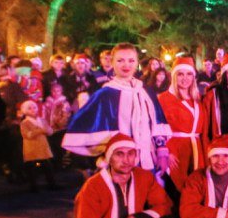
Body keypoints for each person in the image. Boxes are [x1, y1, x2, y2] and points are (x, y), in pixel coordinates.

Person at [63, 43, 172, 173]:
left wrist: (162, 152)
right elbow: (83, 124)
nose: (126, 65)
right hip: (117, 164)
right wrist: (102, 150)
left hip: (147, 160)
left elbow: (157, 122)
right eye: (120, 60)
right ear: (113, 63)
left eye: (131, 60)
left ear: (136, 62)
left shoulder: (145, 91)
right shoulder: (105, 94)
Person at [157, 57, 204, 192]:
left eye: (189, 74)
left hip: (195, 148)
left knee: (194, 188)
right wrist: (167, 152)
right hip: (175, 150)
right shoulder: (163, 98)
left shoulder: (197, 98)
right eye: (180, 74)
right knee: (177, 188)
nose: (185, 78)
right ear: (174, 76)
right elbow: (157, 128)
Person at [18, 100, 57, 191]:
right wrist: (40, 130)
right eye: (30, 108)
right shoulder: (25, 123)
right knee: (33, 168)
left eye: (34, 107)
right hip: (32, 149)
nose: (33, 110)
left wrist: (47, 130)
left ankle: (52, 184)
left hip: (43, 149)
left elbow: (50, 131)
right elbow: (27, 135)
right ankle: (33, 186)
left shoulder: (42, 120)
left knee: (48, 167)